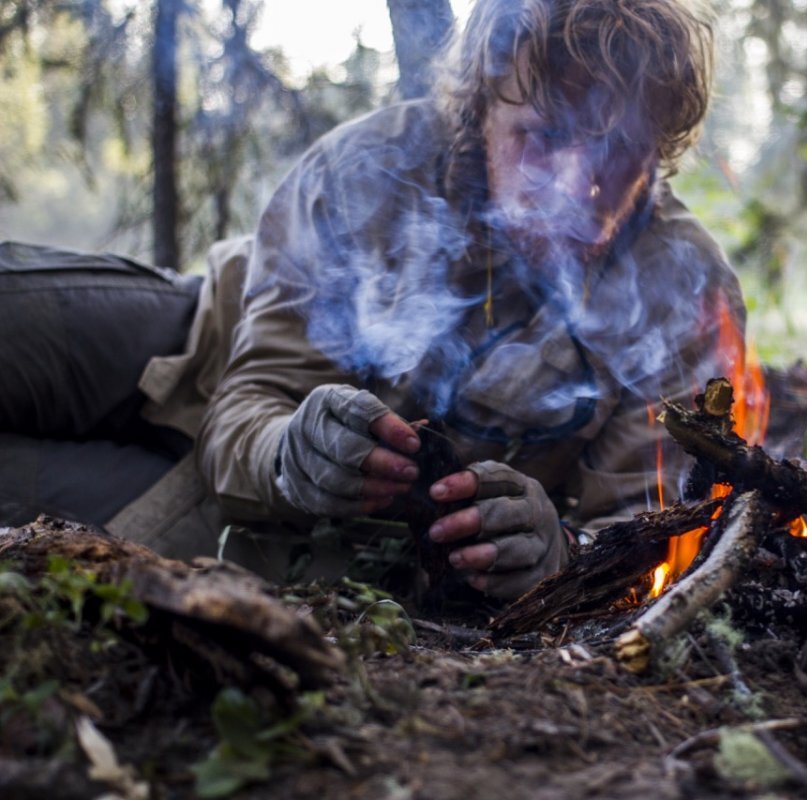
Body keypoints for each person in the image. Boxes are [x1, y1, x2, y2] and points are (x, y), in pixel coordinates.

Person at [0, 0, 744, 602]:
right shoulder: (373, 167)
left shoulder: (684, 294)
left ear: (664, 148)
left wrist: (556, 552)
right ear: (482, 104)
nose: (575, 188)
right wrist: (288, 449)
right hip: (196, 335)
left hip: (263, 514)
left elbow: (654, 540)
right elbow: (252, 397)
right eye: (542, 136)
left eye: (619, 154)